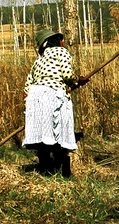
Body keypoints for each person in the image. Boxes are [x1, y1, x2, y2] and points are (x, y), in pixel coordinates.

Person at [22, 28, 89, 177]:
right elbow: (67, 75)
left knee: (43, 138)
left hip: (35, 97)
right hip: (52, 95)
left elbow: (27, 85)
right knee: (58, 135)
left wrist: (29, 110)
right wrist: (78, 80)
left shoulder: (38, 60)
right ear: (55, 41)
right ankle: (63, 174)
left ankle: (46, 171)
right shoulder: (61, 52)